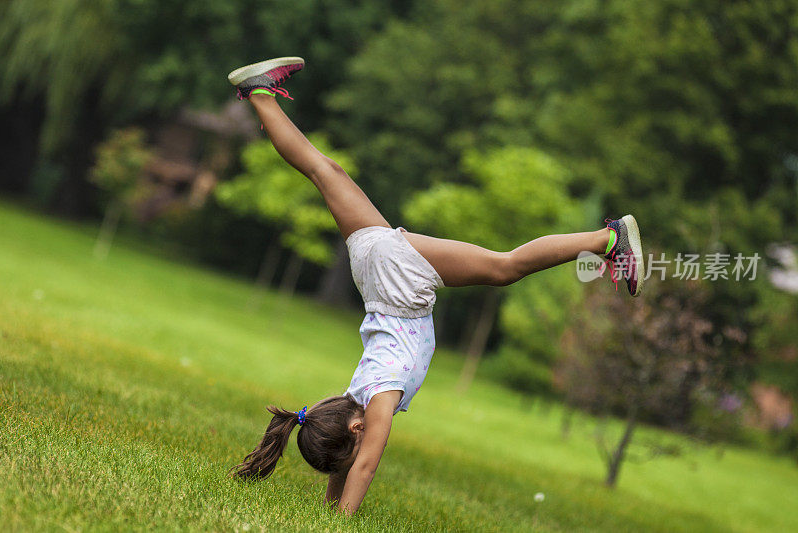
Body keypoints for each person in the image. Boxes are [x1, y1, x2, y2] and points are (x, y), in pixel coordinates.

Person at [228, 57, 644, 515]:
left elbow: (363, 465)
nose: (360, 451)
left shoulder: (379, 401)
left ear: (352, 430)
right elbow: (350, 461)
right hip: (375, 277)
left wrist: (341, 520)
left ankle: (608, 239)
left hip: (397, 283)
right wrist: (331, 510)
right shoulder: (354, 398)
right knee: (325, 172)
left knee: (504, 268)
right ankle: (260, 93)